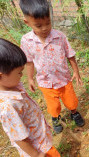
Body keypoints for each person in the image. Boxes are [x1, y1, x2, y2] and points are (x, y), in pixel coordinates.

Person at [19, 0, 84, 134]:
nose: (44, 28)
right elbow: (29, 62)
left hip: (64, 79)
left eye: (48, 23)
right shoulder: (26, 41)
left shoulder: (59, 36)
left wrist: (76, 72)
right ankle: (55, 118)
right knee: (53, 106)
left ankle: (74, 112)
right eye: (38, 25)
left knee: (71, 101)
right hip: (45, 82)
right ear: (27, 22)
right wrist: (30, 78)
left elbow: (70, 55)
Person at [0, 38, 60, 157]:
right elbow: (19, 138)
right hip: (39, 148)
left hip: (41, 140)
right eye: (19, 72)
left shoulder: (12, 85)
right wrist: (36, 154)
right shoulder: (7, 107)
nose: (22, 76)